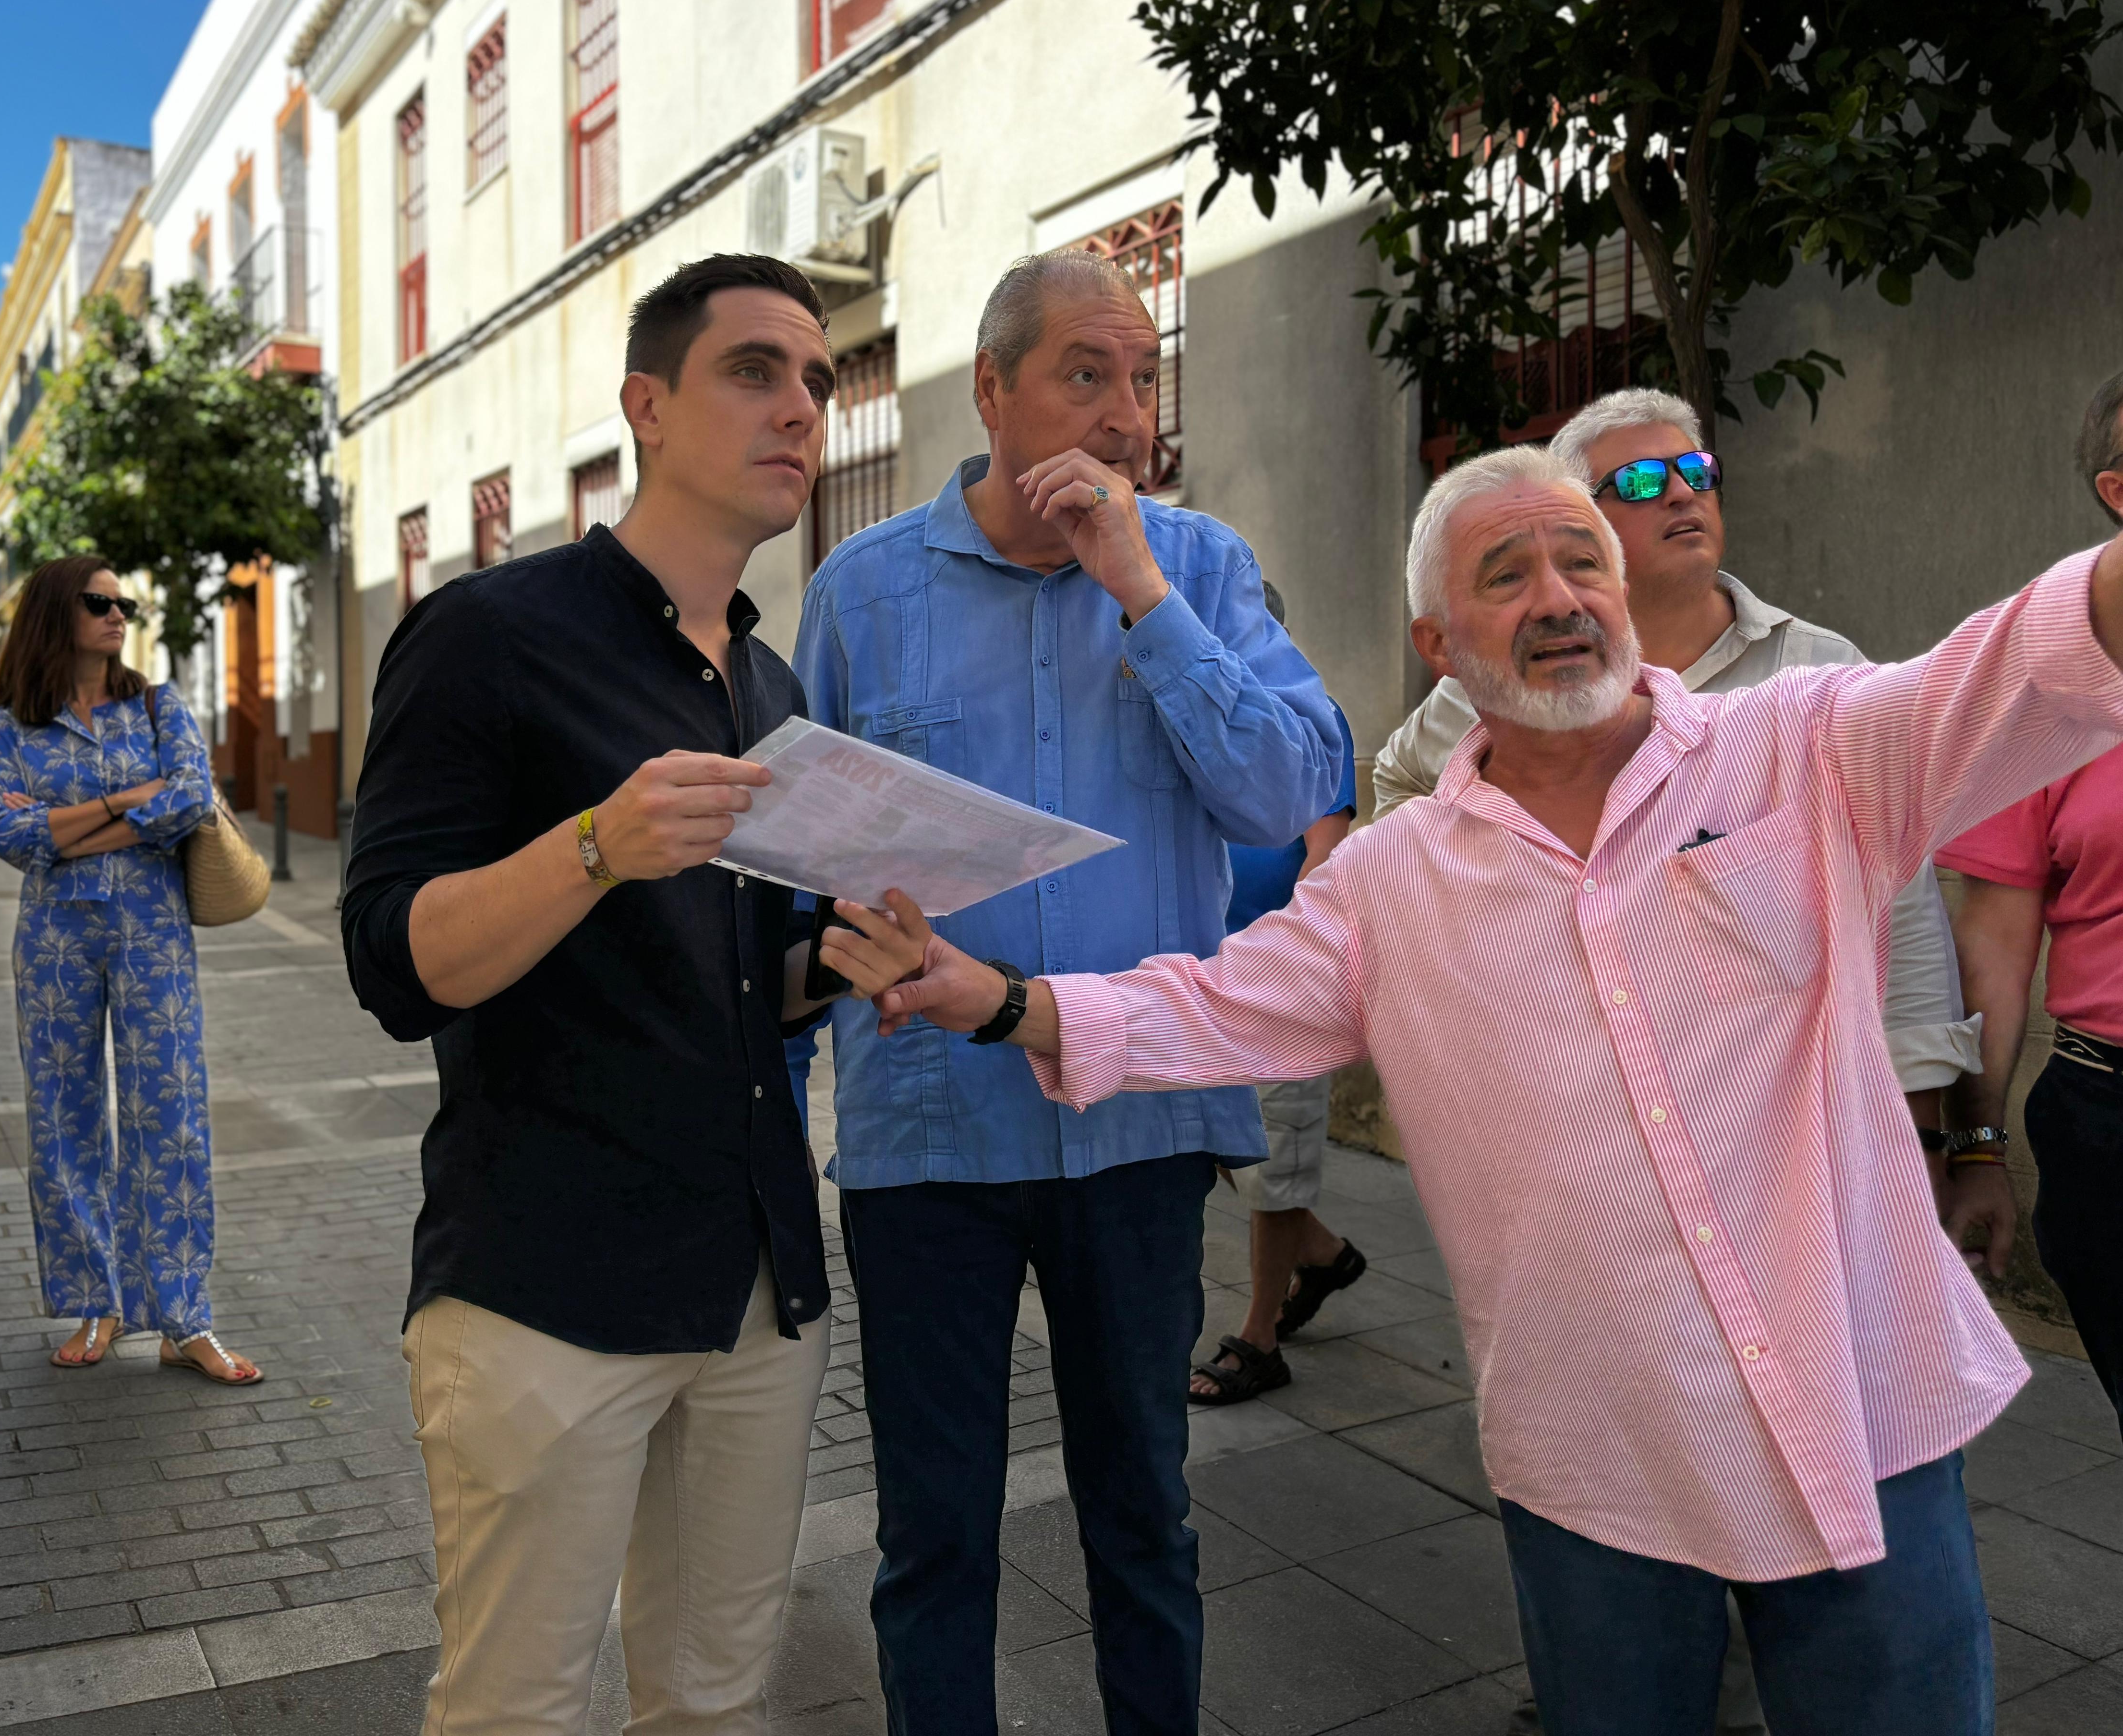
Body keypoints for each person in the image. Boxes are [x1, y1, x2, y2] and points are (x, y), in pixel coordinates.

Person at [876, 440, 2123, 1736]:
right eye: (1508, 574)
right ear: (1437, 642)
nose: (1559, 598)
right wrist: (1003, 1002)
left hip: (1863, 1408)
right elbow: (1213, 1001)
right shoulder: (1395, 880)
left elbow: (2017, 663)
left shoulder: (1802, 749)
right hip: (1600, 1459)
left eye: (1584, 561)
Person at [343, 253, 930, 1736]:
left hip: (755, 1286)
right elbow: (394, 960)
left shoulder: (774, 690)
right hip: (545, 1285)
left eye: (815, 376)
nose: (799, 404)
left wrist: (834, 965)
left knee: (715, 1700)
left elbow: (731, 987)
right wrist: (595, 842)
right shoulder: (488, 636)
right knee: (515, 1710)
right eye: (754, 370)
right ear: (646, 408)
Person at [1372, 388, 1984, 1736]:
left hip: (1813, 1227)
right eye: (1638, 484)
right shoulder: (1479, 713)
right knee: (1636, 1593)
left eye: (1694, 467)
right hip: (1610, 1272)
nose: (1682, 493)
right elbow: (1404, 882)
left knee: (1868, 1603)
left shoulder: (1808, 681)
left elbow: (1912, 913)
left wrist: (1948, 1130)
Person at [794, 249, 1348, 1733]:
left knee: (1142, 1515)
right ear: (990, 391)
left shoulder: (1203, 568)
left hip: (1136, 1128)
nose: (1120, 413)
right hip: (928, 1138)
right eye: (1081, 374)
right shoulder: (860, 594)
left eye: (1139, 376)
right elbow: (799, 873)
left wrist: (1141, 594)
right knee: (932, 1536)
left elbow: (1286, 793)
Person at [0, 557, 259, 1384]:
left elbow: (188, 799)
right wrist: (122, 805)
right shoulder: (12, 725)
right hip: (55, 938)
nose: (118, 615)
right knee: (64, 1119)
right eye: (99, 602)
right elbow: (5, 832)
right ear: (56, 613)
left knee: (170, 1110)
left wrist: (65, 824)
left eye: (123, 602)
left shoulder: (156, 703)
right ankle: (96, 1302)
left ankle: (184, 1317)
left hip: (152, 933)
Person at [1936, 366, 2123, 1436]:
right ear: (2115, 490)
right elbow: (1994, 952)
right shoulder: (2048, 688)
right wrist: (1977, 1147)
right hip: (2111, 1125)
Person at [1191, 582, 1362, 1405]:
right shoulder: (1188, 714)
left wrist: (1283, 962)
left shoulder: (1309, 722)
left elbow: (1326, 857)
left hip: (1277, 983)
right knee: (1230, 1148)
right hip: (1196, 977)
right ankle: (1325, 1257)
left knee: (1275, 1162)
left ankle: (1259, 1339)